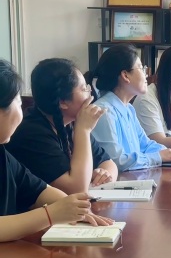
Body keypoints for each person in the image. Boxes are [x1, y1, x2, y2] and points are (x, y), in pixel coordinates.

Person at [0, 59, 112, 242]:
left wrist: (76, 209)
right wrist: (50, 214)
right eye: (18, 103)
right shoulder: (31, 133)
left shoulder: (3, 154)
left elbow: (38, 190)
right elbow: (74, 190)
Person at [6, 59, 118, 194]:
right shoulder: (31, 133)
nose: (91, 94)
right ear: (63, 102)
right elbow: (76, 189)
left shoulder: (70, 122)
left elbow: (109, 163)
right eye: (84, 89)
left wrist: (104, 175)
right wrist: (83, 131)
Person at [86, 44, 171, 171]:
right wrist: (158, 157)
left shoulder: (128, 109)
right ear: (125, 75)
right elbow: (117, 161)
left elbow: (145, 145)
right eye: (141, 68)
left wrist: (169, 153)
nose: (146, 75)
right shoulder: (103, 112)